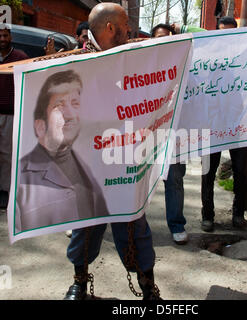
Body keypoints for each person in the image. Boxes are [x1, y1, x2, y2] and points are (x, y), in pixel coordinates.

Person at [64, 2, 160, 300]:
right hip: (88, 160)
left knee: (133, 224)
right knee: (85, 226)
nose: (129, 31)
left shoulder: (131, 56)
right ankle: (79, 282)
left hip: (125, 157)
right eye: (125, 26)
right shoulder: (73, 61)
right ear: (109, 28)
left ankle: (148, 287)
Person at [15, 70, 109, 232]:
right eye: (60, 105)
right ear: (40, 124)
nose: (71, 114)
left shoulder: (87, 166)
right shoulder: (23, 178)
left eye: (75, 103)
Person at [200, 16, 247, 232]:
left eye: (231, 32)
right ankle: (207, 216)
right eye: (223, 32)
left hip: (240, 125)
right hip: (212, 125)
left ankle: (239, 215)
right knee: (208, 172)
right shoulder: (205, 59)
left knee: (241, 170)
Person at [150, 24, 188, 245]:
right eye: (158, 37)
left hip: (173, 132)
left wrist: (184, 27)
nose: (163, 41)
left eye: (167, 37)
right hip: (145, 133)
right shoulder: (142, 61)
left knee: (174, 178)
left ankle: (177, 225)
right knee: (134, 179)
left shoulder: (183, 62)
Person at [0, 25, 28, 210]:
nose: (3, 38)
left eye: (5, 35)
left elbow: (30, 80)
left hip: (11, 115)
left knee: (7, 155)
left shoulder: (21, 58)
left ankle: (5, 190)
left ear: (10, 37)